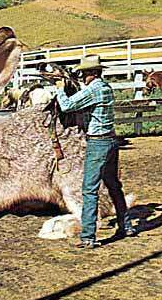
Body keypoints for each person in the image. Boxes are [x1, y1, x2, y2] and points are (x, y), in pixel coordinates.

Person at [55, 54, 136, 249]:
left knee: (89, 190)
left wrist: (59, 89)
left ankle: (88, 236)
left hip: (97, 143)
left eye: (84, 73)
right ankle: (126, 226)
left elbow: (66, 106)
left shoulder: (94, 90)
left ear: (91, 73)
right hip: (111, 140)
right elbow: (87, 95)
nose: (82, 76)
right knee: (113, 185)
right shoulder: (105, 88)